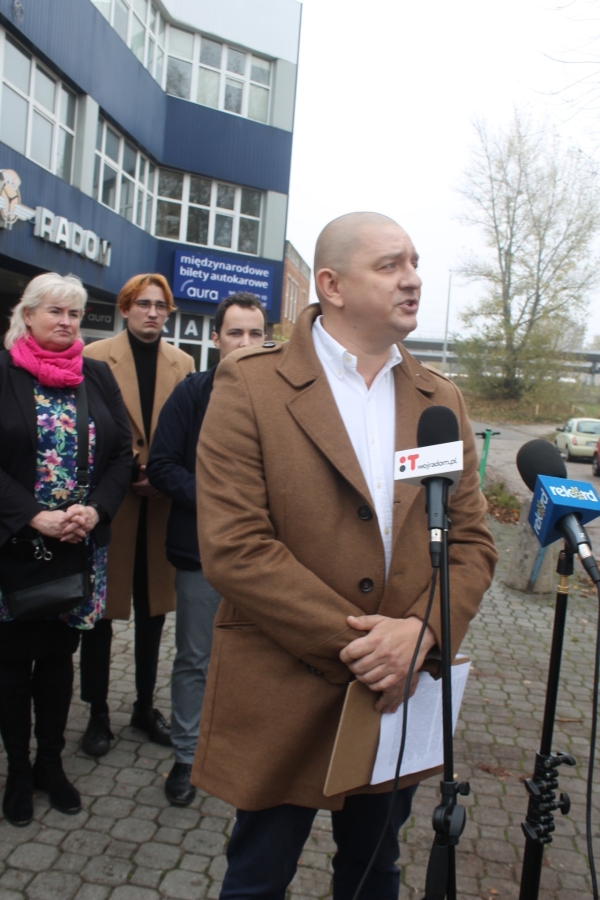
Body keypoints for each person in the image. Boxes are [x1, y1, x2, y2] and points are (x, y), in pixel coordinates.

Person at [192, 213, 498, 899]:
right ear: (330, 285)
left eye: (414, 262)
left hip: (397, 694)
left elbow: (472, 542)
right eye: (390, 265)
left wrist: (420, 633)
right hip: (285, 680)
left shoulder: (439, 399)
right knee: (257, 876)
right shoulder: (252, 384)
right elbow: (235, 547)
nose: (413, 279)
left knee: (373, 872)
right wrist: (371, 648)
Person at [0, 272, 132, 827]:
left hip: (77, 547)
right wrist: (33, 514)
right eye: (55, 311)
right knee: (12, 667)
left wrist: (96, 509)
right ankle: (18, 771)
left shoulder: (96, 375)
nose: (66, 321)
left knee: (58, 661)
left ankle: (50, 764)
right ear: (27, 315)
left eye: (74, 313)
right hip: (13, 547)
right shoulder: (4, 372)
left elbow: (123, 454)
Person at [147, 293, 267, 807]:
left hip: (268, 558)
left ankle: (238, 751)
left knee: (255, 658)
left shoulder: (283, 400)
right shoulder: (191, 393)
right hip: (202, 553)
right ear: (216, 339)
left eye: (255, 333)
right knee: (196, 657)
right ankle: (187, 755)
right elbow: (162, 466)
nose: (245, 342)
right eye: (235, 333)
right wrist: (222, 500)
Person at [79, 274, 194, 757]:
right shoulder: (95, 355)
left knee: (152, 613)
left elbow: (189, 430)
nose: (152, 312)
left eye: (160, 305)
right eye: (143, 304)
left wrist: (163, 474)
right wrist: (128, 469)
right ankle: (97, 714)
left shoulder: (183, 362)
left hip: (160, 504)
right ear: (125, 309)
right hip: (112, 502)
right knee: (100, 616)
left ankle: (144, 707)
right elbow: (87, 425)